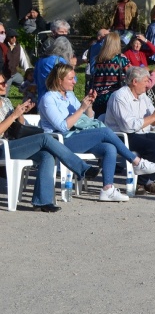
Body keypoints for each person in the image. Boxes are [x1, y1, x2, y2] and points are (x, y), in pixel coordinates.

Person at [39, 63, 155, 201]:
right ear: (59, 80)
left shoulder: (69, 96)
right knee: (104, 131)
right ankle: (136, 162)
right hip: (60, 142)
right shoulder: (48, 99)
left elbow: (86, 120)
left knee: (109, 148)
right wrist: (81, 108)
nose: (75, 81)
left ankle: (107, 189)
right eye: (71, 79)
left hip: (77, 136)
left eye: (74, 78)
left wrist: (89, 105)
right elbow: (62, 127)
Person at [1, 76, 104, 212]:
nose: (5, 85)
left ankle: (42, 201)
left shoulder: (6, 101)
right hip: (3, 149)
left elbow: (17, 129)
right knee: (44, 138)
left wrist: (21, 114)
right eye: (2, 83)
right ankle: (82, 168)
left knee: (47, 155)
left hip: (14, 144)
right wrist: (13, 116)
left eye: (4, 82)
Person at [104, 67, 155, 194]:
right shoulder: (119, 96)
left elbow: (153, 123)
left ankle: (148, 179)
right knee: (154, 146)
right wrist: (154, 116)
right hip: (122, 135)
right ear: (135, 81)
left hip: (141, 132)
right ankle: (142, 182)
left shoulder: (143, 96)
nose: (148, 84)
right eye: (146, 81)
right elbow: (127, 126)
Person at [91, 32, 130, 116]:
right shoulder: (121, 59)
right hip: (115, 96)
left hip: (99, 97)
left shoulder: (98, 59)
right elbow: (131, 73)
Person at [35, 35, 76, 102]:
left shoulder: (40, 60)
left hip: (41, 97)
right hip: (57, 99)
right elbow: (72, 79)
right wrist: (72, 66)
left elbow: (36, 79)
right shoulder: (60, 61)